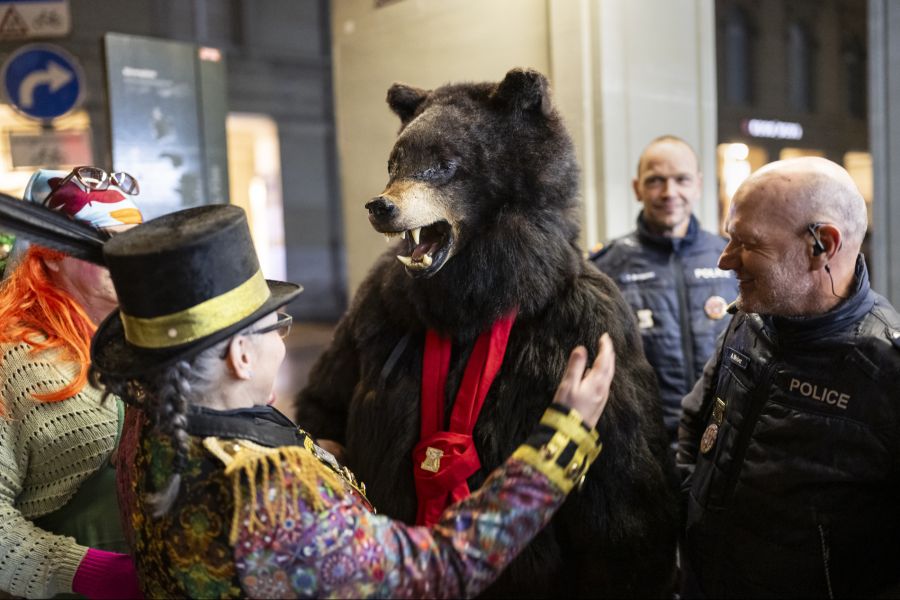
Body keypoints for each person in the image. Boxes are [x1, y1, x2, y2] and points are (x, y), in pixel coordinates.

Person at [87, 204, 613, 599]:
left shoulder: (150, 420)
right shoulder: (269, 489)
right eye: (277, 327)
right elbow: (438, 570)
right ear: (240, 356)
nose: (283, 341)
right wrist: (556, 447)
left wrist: (324, 462)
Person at [677, 156, 900, 597]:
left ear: (824, 246)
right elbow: (695, 425)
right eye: (728, 239)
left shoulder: (886, 373)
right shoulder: (748, 320)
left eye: (749, 244)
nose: (725, 261)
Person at [0, 168, 143, 598]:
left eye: (133, 241)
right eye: (104, 242)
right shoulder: (14, 357)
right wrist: (87, 572)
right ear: (51, 253)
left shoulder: (144, 339)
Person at [591, 135, 737, 446]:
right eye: (656, 180)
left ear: (698, 185)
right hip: (644, 444)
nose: (670, 193)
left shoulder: (730, 259)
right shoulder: (605, 268)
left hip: (721, 439)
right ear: (637, 188)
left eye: (681, 180)